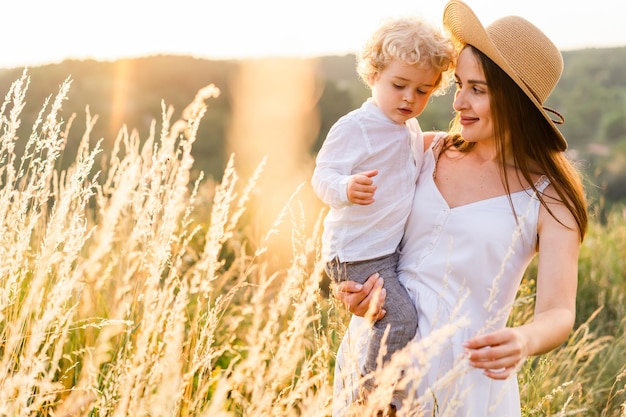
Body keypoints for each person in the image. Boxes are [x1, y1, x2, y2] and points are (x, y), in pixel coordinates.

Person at [332, 1, 589, 416]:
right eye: (459, 85)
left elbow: (558, 311)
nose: (458, 103)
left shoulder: (549, 196)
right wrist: (354, 289)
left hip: (463, 381)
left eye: (477, 90)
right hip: (375, 368)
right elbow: (356, 220)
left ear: (515, 101)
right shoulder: (422, 151)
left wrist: (524, 339)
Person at [311, 15, 455, 407]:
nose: (409, 98)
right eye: (399, 85)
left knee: (401, 315)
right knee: (400, 318)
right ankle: (371, 395)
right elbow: (321, 175)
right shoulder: (357, 126)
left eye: (423, 90)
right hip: (356, 251)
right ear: (374, 75)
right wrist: (345, 187)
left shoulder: (408, 126)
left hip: (384, 250)